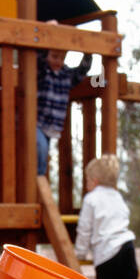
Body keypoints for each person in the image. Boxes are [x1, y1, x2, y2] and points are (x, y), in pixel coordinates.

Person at [36, 37, 92, 178]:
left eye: (62, 58)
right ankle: (38, 177)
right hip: (36, 122)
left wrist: (88, 51)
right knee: (40, 148)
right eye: (54, 57)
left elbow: (82, 69)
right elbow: (39, 58)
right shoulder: (43, 72)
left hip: (51, 126)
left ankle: (39, 176)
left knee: (43, 151)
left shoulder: (66, 75)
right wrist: (46, 35)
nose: (58, 61)